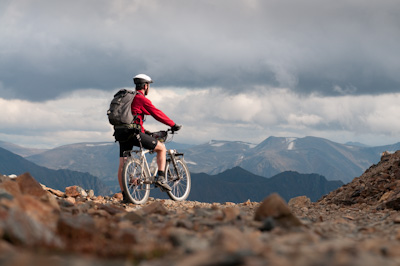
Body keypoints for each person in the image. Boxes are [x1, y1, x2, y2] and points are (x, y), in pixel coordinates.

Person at [117, 74, 181, 202]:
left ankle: (125, 196)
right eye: (149, 86)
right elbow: (156, 113)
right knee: (161, 148)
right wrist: (172, 124)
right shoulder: (141, 99)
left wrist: (144, 130)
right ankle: (161, 177)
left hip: (121, 133)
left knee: (123, 164)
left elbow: (135, 115)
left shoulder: (127, 99)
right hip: (134, 133)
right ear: (146, 86)